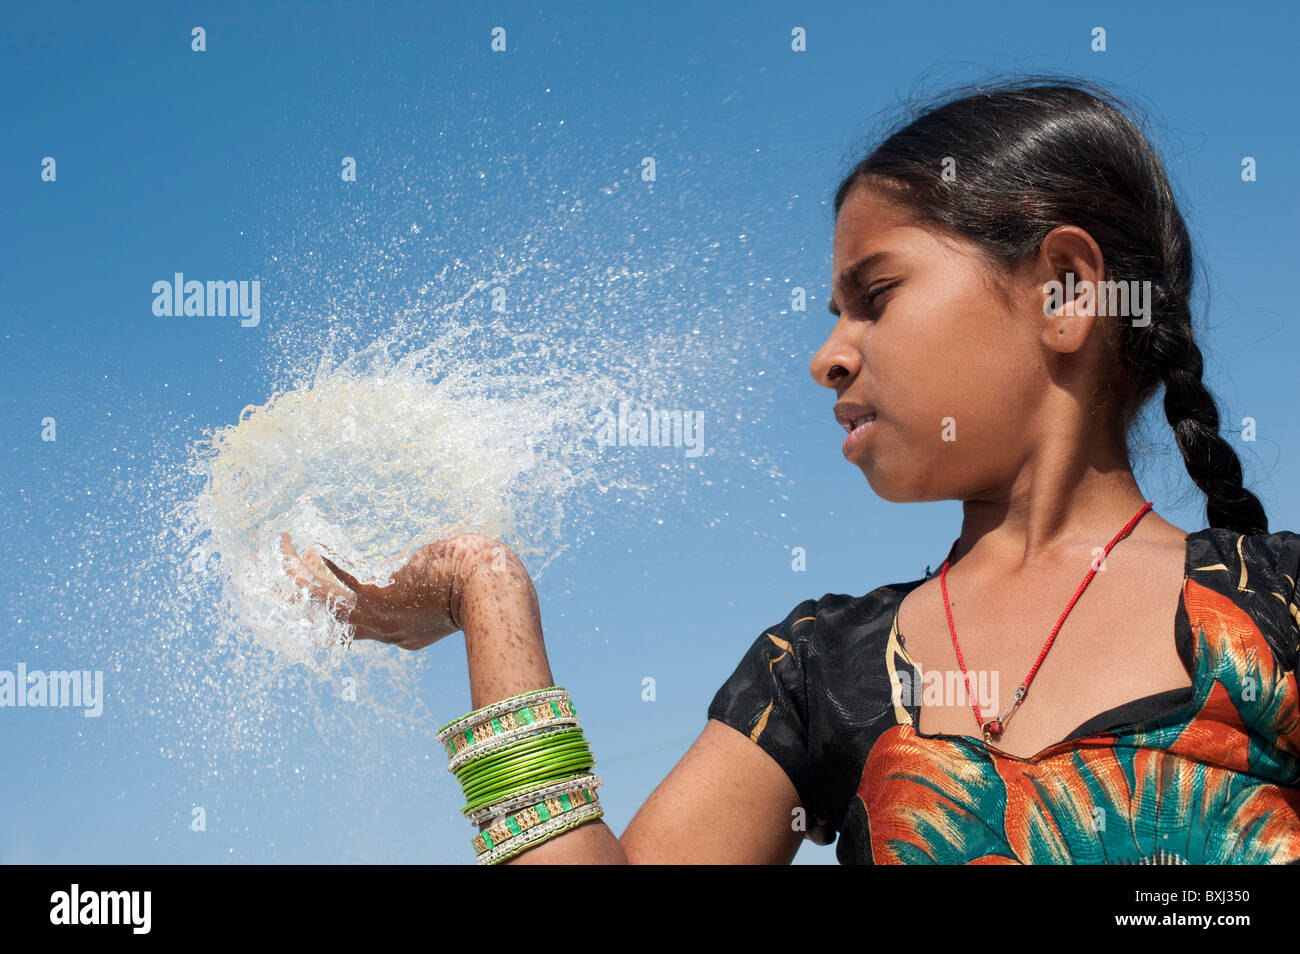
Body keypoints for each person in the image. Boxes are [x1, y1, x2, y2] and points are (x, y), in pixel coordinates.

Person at [280, 75, 1300, 864]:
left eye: (875, 294)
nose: (829, 356)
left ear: (1066, 291)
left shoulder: (1281, 610)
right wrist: (485, 589)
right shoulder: (816, 668)